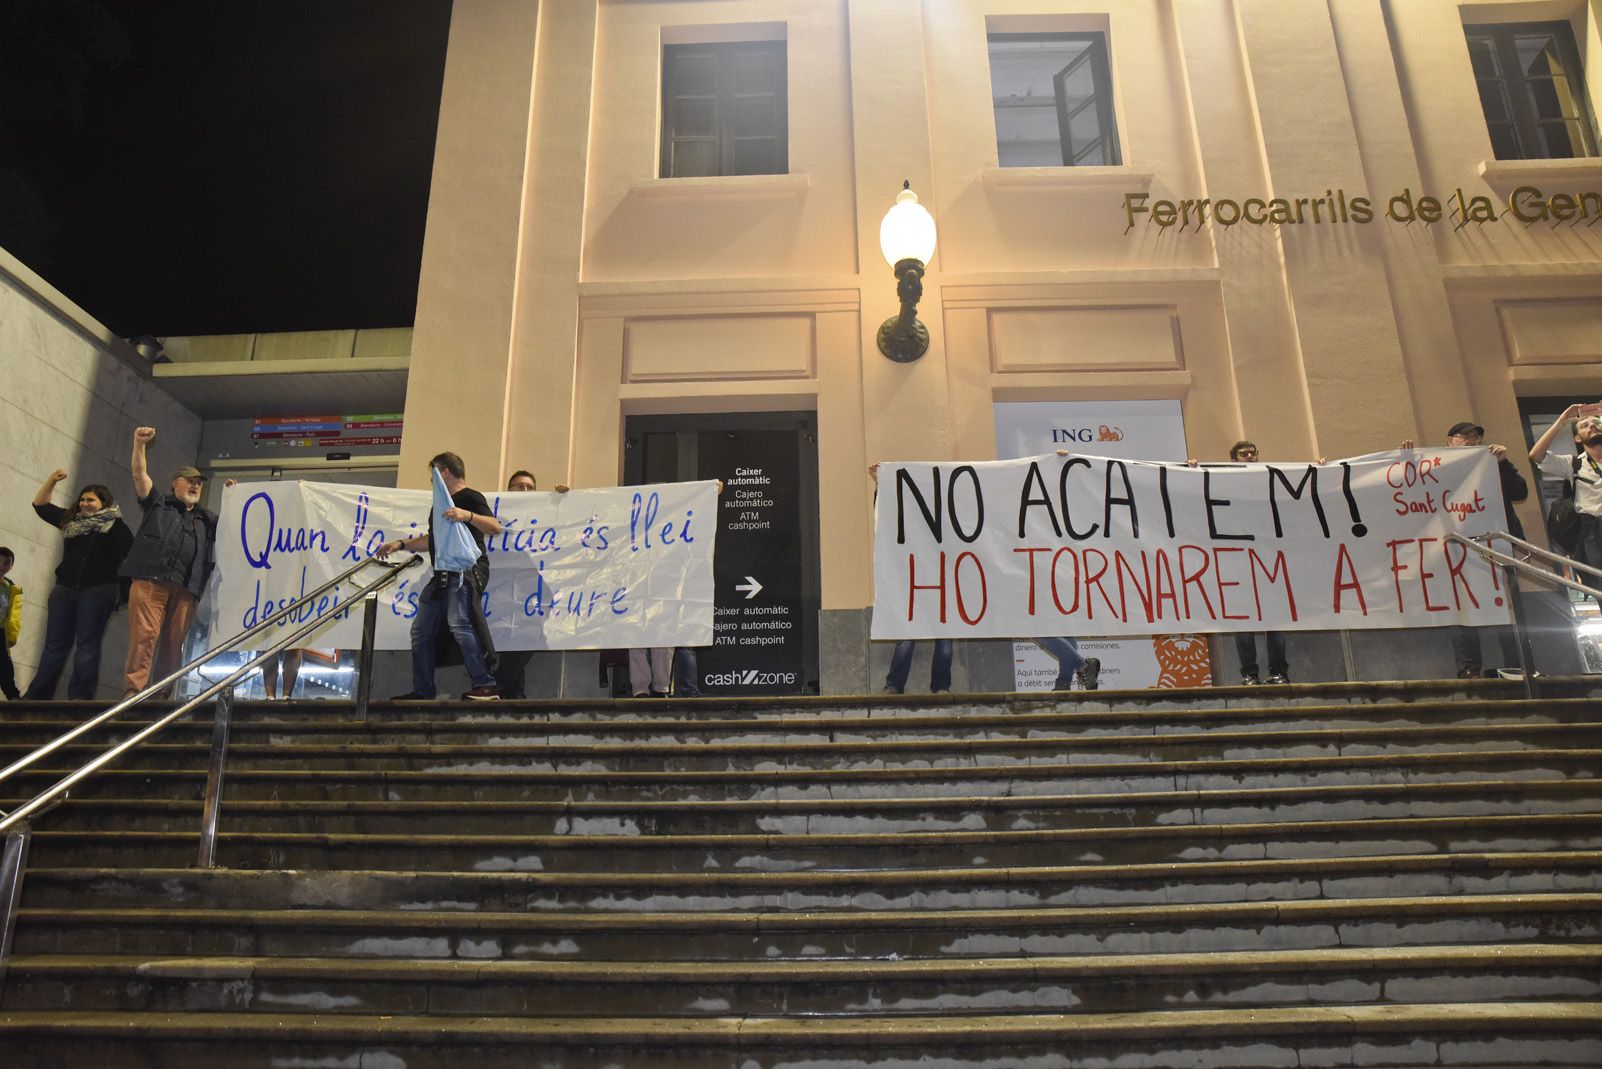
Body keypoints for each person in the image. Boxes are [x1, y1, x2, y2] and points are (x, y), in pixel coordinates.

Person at [1403, 422, 1530, 677]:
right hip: (1455, 545)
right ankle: (1469, 668)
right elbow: (1417, 495)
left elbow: (1519, 491)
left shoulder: (1492, 463)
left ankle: (1517, 665)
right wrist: (1409, 464)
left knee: (1505, 605)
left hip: (1495, 543)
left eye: (1477, 437)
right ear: (1449, 441)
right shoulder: (1437, 467)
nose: (1472, 441)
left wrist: (1504, 464)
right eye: (1465, 436)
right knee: (1461, 605)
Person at [379, 451, 503, 701]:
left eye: (433, 476)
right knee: (422, 631)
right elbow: (432, 540)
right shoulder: (443, 505)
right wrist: (402, 544)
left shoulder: (469, 497)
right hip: (445, 573)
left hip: (464, 571)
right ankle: (423, 689)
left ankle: (485, 683)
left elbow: (494, 527)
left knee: (459, 624)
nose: (432, 482)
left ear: (444, 472)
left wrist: (466, 514)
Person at [120, 427, 222, 698]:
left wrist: (234, 497)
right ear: (175, 483)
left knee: (173, 645)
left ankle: (160, 698)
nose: (195, 486)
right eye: (189, 481)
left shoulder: (205, 519)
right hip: (151, 581)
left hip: (186, 590)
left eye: (199, 483)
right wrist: (139, 444)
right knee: (145, 637)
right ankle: (133, 694)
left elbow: (236, 526)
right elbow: (139, 475)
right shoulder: (158, 504)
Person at [24, 470, 133, 699]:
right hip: (64, 589)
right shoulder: (71, 522)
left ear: (104, 503)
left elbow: (130, 562)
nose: (85, 504)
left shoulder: (117, 528)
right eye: (82, 500)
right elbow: (40, 505)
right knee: (54, 647)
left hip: (98, 591)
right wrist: (52, 480)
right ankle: (36, 696)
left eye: (91, 500)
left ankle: (80, 699)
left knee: (87, 646)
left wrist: (120, 594)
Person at [494, 469, 567, 699]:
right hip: (501, 592)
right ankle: (514, 693)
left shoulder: (541, 512)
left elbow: (564, 525)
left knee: (527, 638)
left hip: (532, 592)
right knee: (509, 641)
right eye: (519, 486)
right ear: (508, 490)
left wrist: (563, 500)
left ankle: (500, 685)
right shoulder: (495, 514)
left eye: (529, 487)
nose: (524, 490)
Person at [1223, 440, 1291, 685]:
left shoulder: (1270, 480)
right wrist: (1192, 470)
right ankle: (1249, 674)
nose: (1250, 456)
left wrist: (1322, 471)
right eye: (1243, 454)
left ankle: (1278, 672)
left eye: (1253, 452)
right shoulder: (1221, 481)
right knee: (1243, 622)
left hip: (1268, 561)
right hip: (1237, 562)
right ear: (1233, 460)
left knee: (1276, 620)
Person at [1530, 401, 1602, 601]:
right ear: (1578, 438)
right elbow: (1537, 455)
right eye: (1585, 425)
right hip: (1593, 534)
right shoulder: (1574, 464)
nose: (1592, 426)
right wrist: (1562, 420)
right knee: (1599, 586)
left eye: (1596, 422)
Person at [0, 548, 21, 700]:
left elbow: (14, 614)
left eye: (6, 563)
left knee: (5, 666)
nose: (2, 566)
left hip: (1, 632)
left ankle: (13, 697)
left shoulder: (11, 588)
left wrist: (12, 635)